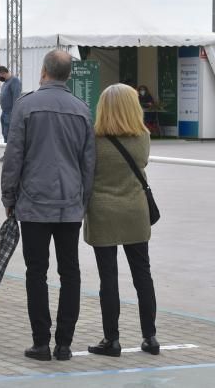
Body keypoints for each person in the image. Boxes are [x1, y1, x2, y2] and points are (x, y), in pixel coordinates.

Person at [0, 49, 96, 361]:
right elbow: (88, 164)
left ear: (44, 71)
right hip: (69, 205)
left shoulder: (25, 106)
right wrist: (82, 201)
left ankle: (41, 342)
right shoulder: (82, 109)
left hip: (33, 204)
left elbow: (14, 157)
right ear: (68, 75)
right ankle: (65, 344)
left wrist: (9, 197)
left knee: (36, 272)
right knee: (71, 273)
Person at [84, 84, 160, 358]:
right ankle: (150, 337)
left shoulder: (93, 139)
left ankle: (112, 339)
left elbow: (87, 172)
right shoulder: (143, 136)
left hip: (103, 211)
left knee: (109, 278)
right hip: (135, 210)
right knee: (143, 274)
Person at [0, 65, 22, 162]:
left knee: (10, 135)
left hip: (10, 113)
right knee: (5, 134)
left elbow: (16, 98)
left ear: (3, 73)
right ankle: (7, 154)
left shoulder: (14, 81)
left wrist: (15, 114)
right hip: (5, 112)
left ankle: (11, 156)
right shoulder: (6, 82)